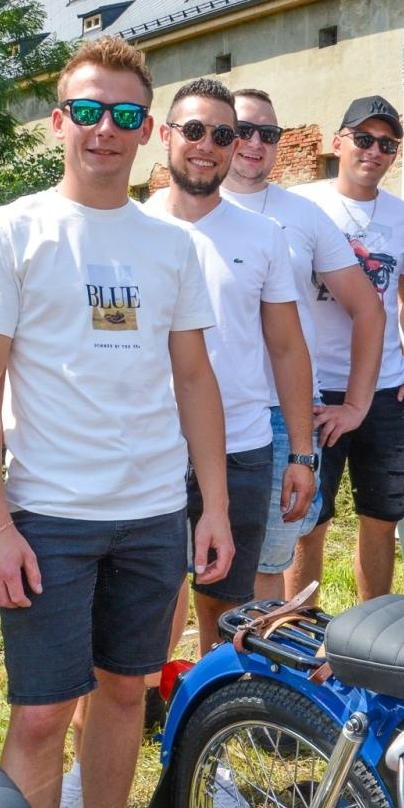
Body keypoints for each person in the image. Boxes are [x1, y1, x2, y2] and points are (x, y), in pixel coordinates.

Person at [0, 35, 233, 808]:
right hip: (47, 516)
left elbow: (194, 377)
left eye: (120, 116)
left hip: (150, 513)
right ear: (57, 120)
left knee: (122, 694)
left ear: (145, 130)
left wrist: (210, 507)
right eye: (84, 112)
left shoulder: (171, 247)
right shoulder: (14, 228)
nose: (101, 131)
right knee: (39, 713)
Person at [143, 77, 314, 653]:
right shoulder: (131, 226)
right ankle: (143, 705)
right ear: (165, 136)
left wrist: (300, 451)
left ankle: (213, 715)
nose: (207, 144)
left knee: (225, 604)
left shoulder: (263, 236)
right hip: (149, 444)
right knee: (150, 597)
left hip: (241, 443)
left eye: (223, 133)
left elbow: (288, 347)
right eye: (193, 130)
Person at [220, 88, 384, 601]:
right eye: (242, 130)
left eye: (268, 134)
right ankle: (166, 681)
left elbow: (369, 307)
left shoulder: (303, 215)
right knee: (171, 562)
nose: (254, 143)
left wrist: (356, 405)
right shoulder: (168, 208)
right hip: (185, 411)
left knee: (266, 563)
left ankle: (257, 680)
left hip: (277, 413)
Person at [291, 96, 404, 602]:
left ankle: (368, 633)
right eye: (363, 139)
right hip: (317, 385)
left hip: (384, 388)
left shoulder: (401, 217)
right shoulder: (302, 205)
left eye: (387, 144)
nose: (374, 151)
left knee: (382, 515)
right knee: (310, 517)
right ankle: (299, 632)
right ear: (337, 143)